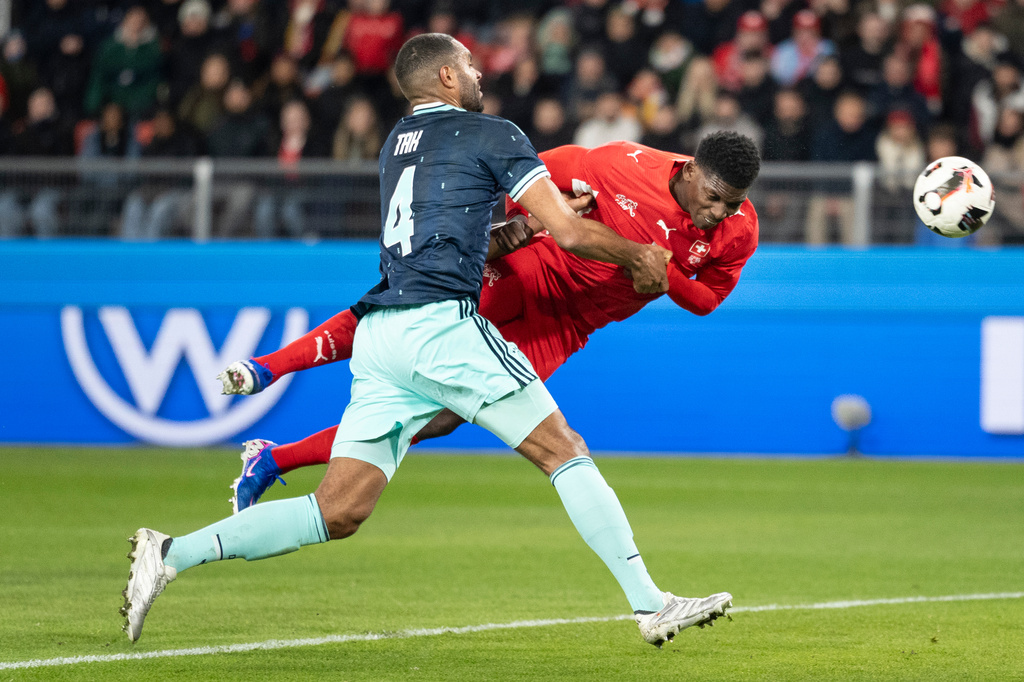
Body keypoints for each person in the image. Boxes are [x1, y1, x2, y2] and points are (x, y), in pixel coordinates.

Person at [121, 33, 732, 648]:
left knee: (337, 512)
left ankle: (171, 552)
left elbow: (458, 231)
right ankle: (650, 605)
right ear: (445, 77)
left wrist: (515, 233)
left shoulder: (396, 145)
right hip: (443, 327)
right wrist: (641, 257)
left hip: (386, 336)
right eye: (469, 65)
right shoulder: (495, 134)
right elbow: (570, 234)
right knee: (562, 449)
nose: (479, 74)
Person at [222, 131, 761, 509]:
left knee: (446, 414)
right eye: (713, 199)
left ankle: (273, 459)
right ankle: (269, 366)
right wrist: (498, 226)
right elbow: (524, 175)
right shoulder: (619, 165)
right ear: (690, 171)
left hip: (569, 325)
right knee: (408, 304)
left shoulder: (740, 230)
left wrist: (666, 278)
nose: (718, 214)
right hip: (532, 268)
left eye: (731, 205)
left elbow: (707, 299)